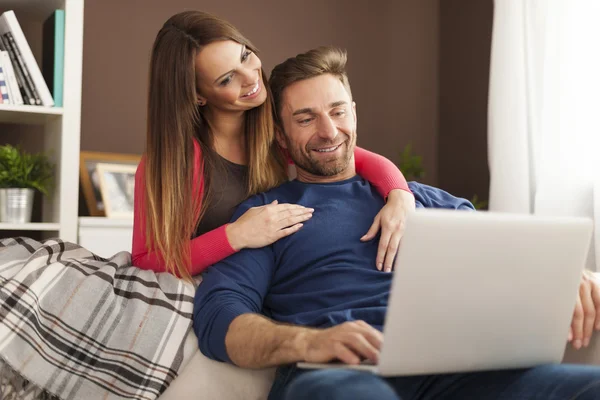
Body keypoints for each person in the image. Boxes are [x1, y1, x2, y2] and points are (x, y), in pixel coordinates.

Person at [193, 46, 600, 400]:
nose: (328, 130)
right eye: (305, 119)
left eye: (337, 111)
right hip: (341, 376)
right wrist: (310, 341)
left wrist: (568, 278)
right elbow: (218, 318)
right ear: (281, 137)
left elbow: (507, 264)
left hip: (460, 377)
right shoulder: (267, 216)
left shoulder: (423, 201)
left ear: (354, 113)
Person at [131, 11, 416, 281]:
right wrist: (235, 235)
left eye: (245, 56)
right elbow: (145, 261)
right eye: (227, 78)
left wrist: (400, 196)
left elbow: (353, 155)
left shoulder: (270, 133)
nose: (251, 77)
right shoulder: (177, 160)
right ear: (197, 96)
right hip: (216, 294)